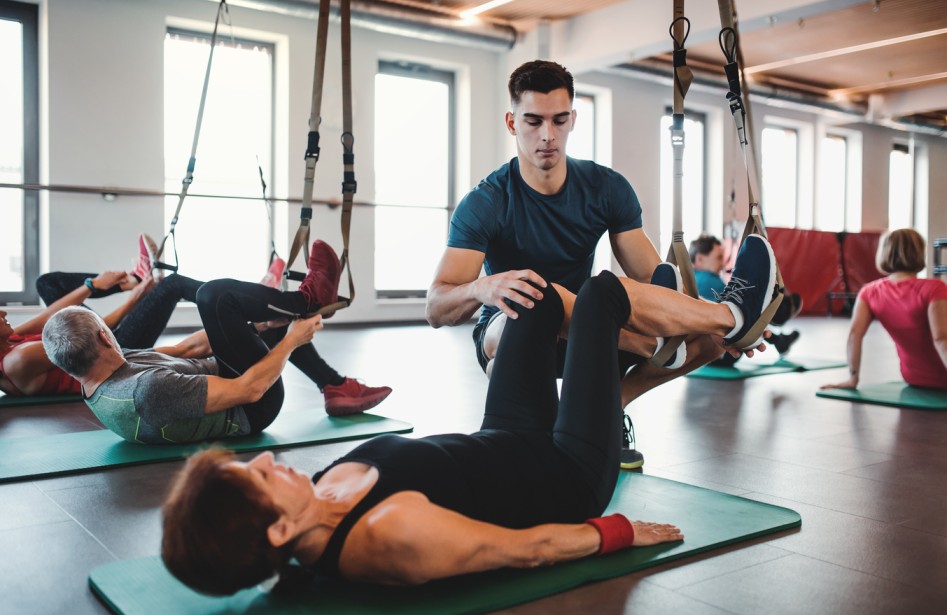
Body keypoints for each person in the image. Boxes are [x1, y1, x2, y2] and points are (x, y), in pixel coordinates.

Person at [160, 234, 778, 595]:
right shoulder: (385, 534)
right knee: (600, 296)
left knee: (528, 298)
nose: (265, 458)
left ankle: (664, 337)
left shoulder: (309, 506)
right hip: (569, 473)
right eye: (257, 475)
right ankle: (731, 318)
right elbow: (523, 549)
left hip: (507, 437)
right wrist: (617, 533)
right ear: (276, 532)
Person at [426, 60, 733, 470]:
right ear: (512, 122)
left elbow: (650, 282)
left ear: (573, 119)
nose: (547, 135)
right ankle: (662, 345)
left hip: (588, 335)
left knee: (710, 341)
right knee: (540, 294)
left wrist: (706, 324)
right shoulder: (486, 202)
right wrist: (483, 288)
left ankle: (610, 408)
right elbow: (436, 307)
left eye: (559, 120)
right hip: (510, 333)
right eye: (533, 121)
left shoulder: (606, 188)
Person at [3, 236, 389, 414]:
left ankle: (332, 383)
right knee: (199, 292)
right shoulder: (20, 361)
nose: (4, 312)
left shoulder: (14, 344)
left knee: (46, 284)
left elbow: (184, 349)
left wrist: (256, 321)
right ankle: (294, 300)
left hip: (119, 351)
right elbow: (93, 325)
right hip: (115, 350)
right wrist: (139, 295)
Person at [822, 228, 947, 391]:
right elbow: (941, 339)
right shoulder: (934, 288)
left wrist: (853, 378)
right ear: (919, 253)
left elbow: (855, 335)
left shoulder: (869, 291)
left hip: (913, 377)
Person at [689, 233, 802, 366]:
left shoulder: (690, 280)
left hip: (701, 353)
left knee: (743, 316)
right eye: (719, 257)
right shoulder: (710, 281)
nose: (723, 263)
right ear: (700, 259)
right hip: (723, 353)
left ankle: (779, 340)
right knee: (745, 314)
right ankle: (779, 337)